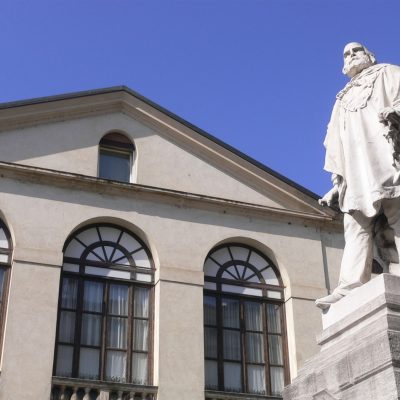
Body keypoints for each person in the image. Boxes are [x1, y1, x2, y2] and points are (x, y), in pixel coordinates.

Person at [315, 42, 400, 310]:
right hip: (355, 169)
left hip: (385, 156)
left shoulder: (387, 72)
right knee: (355, 224)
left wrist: (396, 112)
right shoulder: (342, 97)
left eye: (356, 50)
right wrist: (337, 182)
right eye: (346, 53)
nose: (352, 55)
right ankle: (350, 287)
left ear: (369, 55)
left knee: (397, 212)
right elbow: (335, 142)